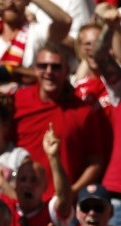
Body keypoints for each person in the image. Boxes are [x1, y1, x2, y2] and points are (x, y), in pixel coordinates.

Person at [13, 43, 111, 200]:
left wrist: (70, 193)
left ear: (66, 71)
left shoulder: (83, 112)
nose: (49, 72)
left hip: (62, 206)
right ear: (34, 69)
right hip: (22, 202)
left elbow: (95, 162)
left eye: (56, 67)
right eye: (42, 66)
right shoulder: (18, 100)